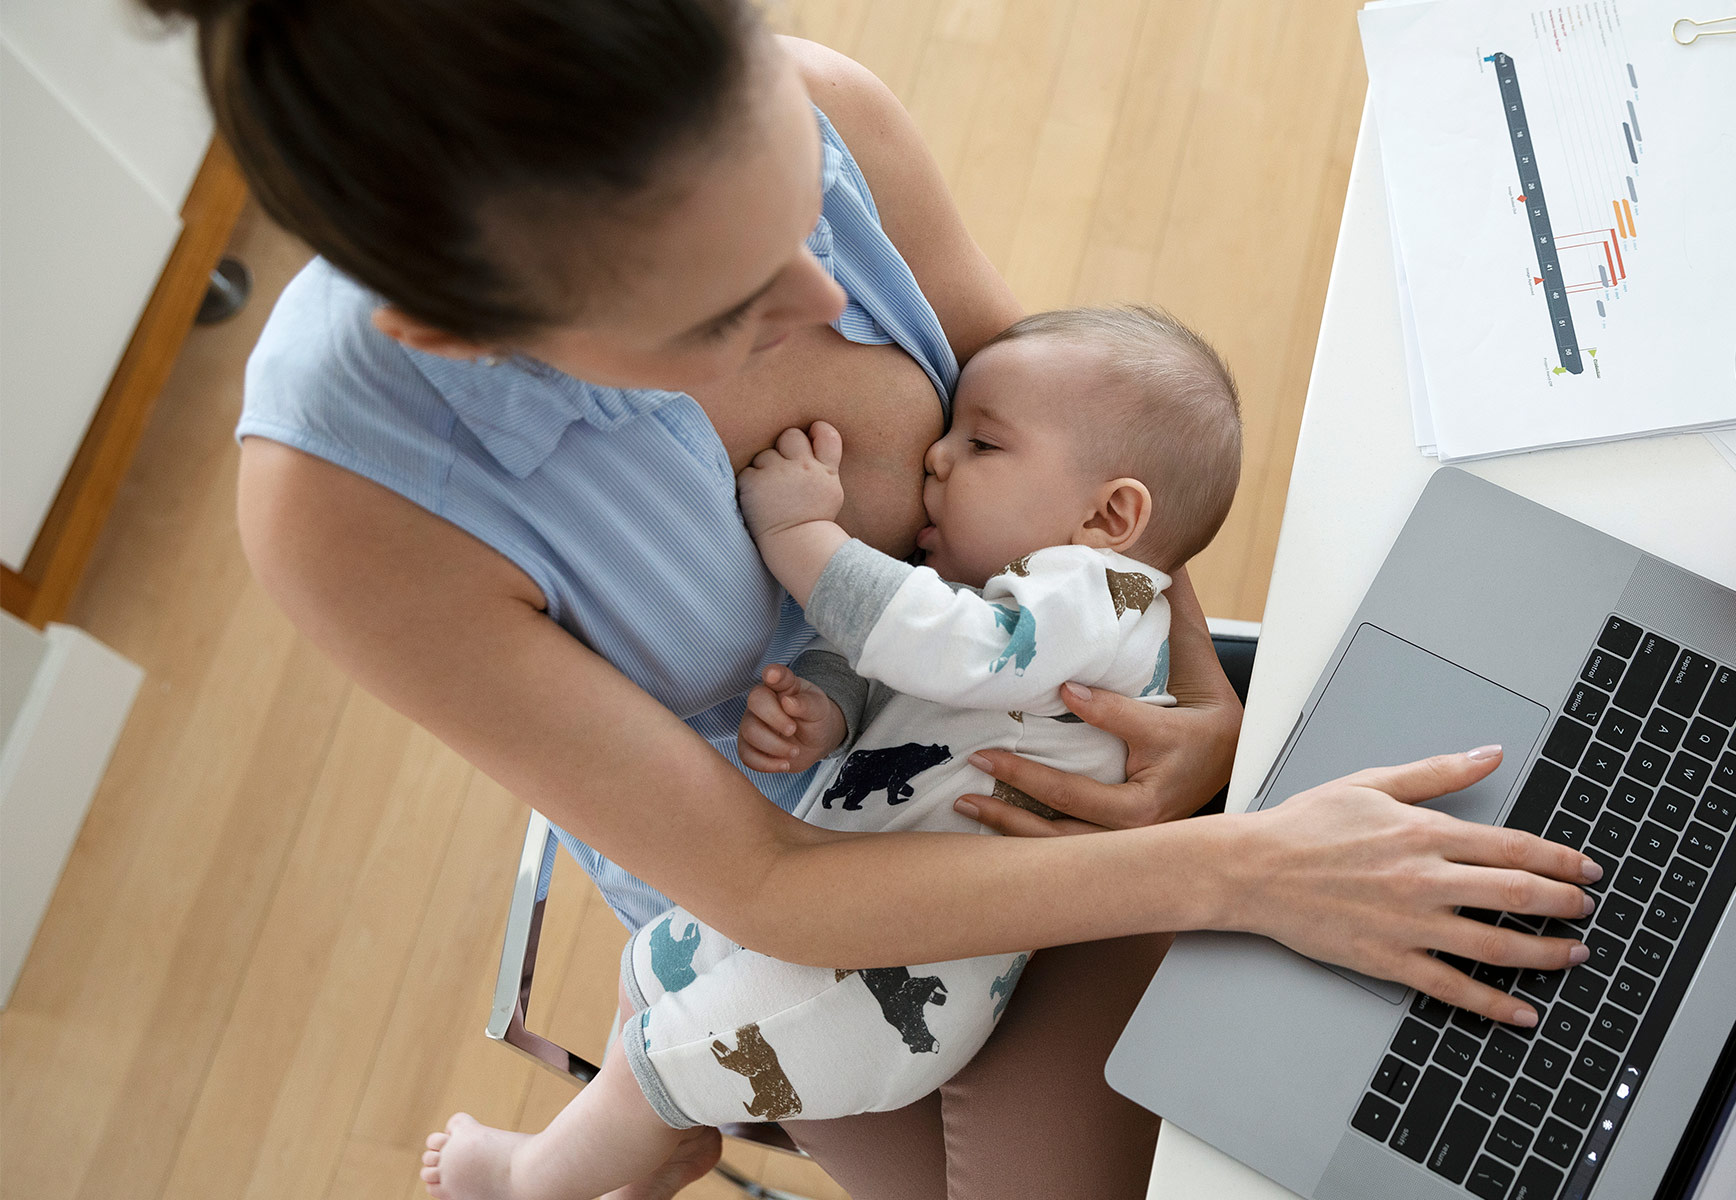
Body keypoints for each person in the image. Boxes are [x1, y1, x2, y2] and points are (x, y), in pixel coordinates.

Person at [150, 1, 1603, 1196]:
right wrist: (1248, 870)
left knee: (1412, 1092)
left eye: (800, 200)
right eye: (719, 315)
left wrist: (1203, 717)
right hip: (807, 909)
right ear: (466, 335)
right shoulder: (347, 508)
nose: (823, 294)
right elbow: (765, 885)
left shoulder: (819, 104)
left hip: (1061, 770)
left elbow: (1088, 454)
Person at [421, 303, 1245, 1198]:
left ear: (1110, 514)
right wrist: (830, 708)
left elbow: (950, 647)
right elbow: (916, 680)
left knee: (655, 1064)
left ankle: (535, 1179)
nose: (938, 454)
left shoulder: (1099, 599)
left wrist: (802, 535)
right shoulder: (1019, 595)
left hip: (893, 979)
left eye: (983, 445)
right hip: (858, 899)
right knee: (651, 976)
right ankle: (662, 1147)